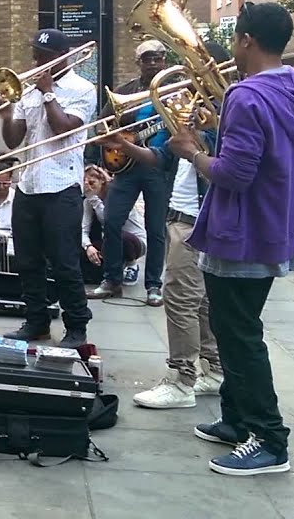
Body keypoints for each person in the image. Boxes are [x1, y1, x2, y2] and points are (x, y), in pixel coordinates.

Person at [168, 1, 294, 476]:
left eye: (235, 39)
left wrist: (192, 151)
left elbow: (233, 175)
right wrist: (220, 130)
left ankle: (269, 439)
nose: (232, 48)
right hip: (276, 226)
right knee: (238, 330)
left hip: (241, 233)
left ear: (247, 41)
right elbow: (266, 148)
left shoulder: (245, 95)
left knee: (239, 338)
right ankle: (235, 420)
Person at [100, 41, 229, 410]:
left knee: (180, 299)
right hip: (184, 211)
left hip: (197, 218)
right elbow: (159, 155)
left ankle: (181, 378)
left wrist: (196, 135)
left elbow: (220, 158)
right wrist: (119, 144)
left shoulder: (224, 112)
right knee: (201, 301)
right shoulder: (187, 108)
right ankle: (214, 370)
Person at [0, 29, 96, 349]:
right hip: (28, 184)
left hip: (61, 186)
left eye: (44, 57)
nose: (37, 62)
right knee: (27, 260)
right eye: (36, 56)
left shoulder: (83, 88)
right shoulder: (27, 92)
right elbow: (14, 140)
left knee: (65, 260)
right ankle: (37, 321)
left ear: (62, 57)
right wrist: (5, 110)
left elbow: (63, 128)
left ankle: (77, 326)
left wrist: (48, 92)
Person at [88, 39, 172, 306]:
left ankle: (153, 285)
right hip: (125, 168)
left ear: (165, 61)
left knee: (156, 227)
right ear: (138, 63)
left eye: (157, 58)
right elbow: (100, 126)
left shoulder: (174, 91)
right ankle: (112, 280)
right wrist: (115, 140)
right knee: (111, 221)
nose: (152, 63)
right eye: (147, 59)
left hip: (158, 167)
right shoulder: (126, 91)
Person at [81, 165, 146, 288]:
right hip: (109, 241)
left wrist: (92, 198)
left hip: (134, 241)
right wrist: (88, 246)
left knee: (118, 235)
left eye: (92, 182)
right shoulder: (89, 201)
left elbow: (109, 220)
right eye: (84, 183)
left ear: (102, 182)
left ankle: (132, 265)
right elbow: (83, 229)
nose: (88, 187)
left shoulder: (118, 198)